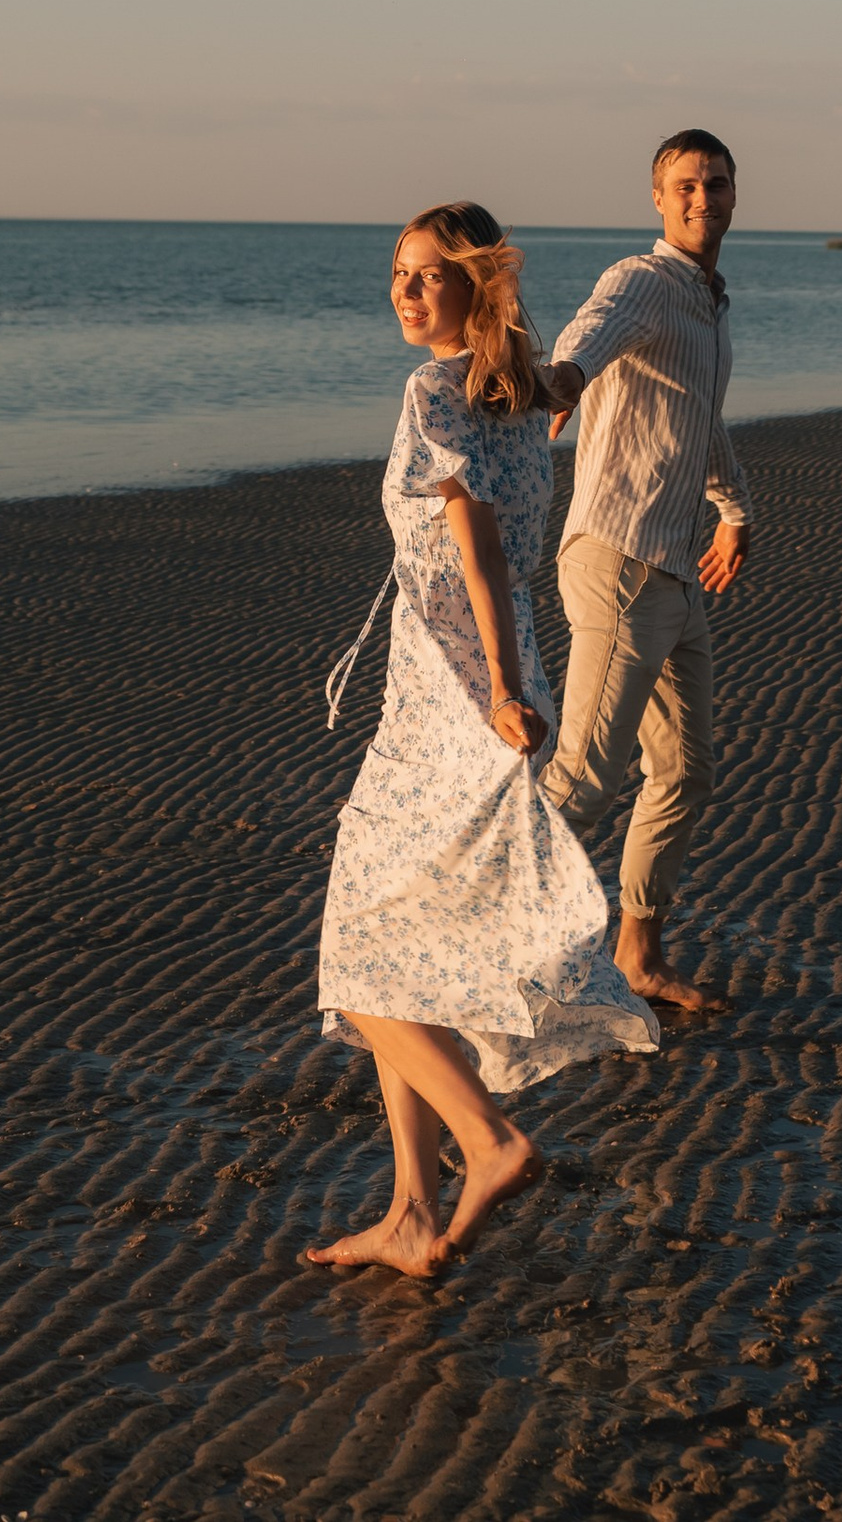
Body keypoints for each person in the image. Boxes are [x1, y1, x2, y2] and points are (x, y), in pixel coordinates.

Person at [310, 204, 656, 1278]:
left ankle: (487, 1139)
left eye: (429, 275)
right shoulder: (524, 397)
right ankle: (413, 1211)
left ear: (477, 285)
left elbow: (480, 546)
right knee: (404, 951)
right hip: (480, 693)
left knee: (357, 953)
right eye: (398, 274)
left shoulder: (435, 391)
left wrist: (499, 685)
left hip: (453, 706)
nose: (406, 293)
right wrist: (513, 684)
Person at [539, 128, 751, 1016]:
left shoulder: (709, 303)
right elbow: (589, 333)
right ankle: (471, 943)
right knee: (583, 781)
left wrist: (734, 512)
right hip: (619, 560)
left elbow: (698, 420)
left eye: (717, 184)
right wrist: (562, 380)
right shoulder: (645, 280)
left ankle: (638, 953)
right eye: (686, 185)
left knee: (686, 771)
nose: (703, 198)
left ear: (735, 195)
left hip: (673, 573)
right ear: (658, 197)